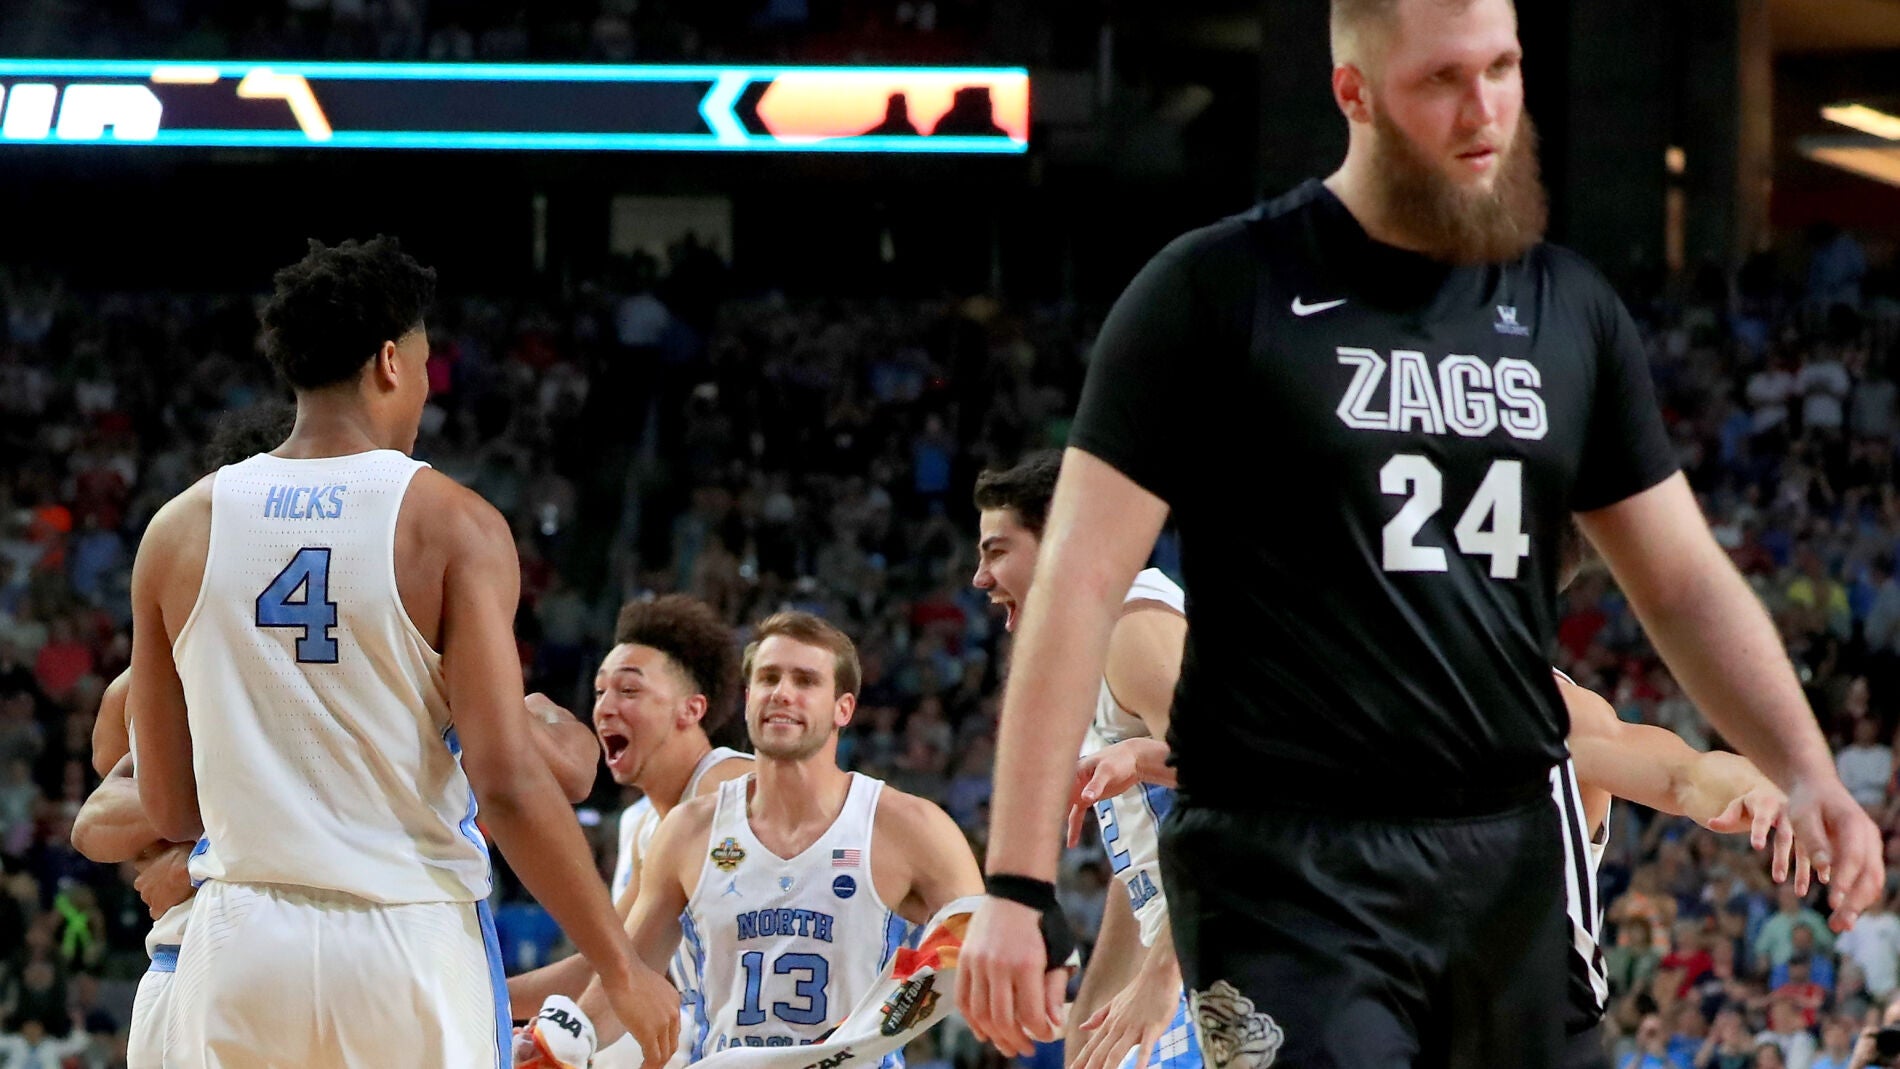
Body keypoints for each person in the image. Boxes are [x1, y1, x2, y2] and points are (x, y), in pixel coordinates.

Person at [954, 2, 1884, 1064]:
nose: (1483, 109)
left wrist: (1804, 768)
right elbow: (1073, 583)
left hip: (1502, 852)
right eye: (1442, 79)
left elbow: (1679, 581)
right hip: (1285, 866)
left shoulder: (1566, 312)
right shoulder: (1214, 290)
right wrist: (1016, 885)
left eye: (1503, 69)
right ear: (1353, 93)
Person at [125, 237, 676, 1068]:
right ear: (389, 361)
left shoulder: (175, 530)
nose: (423, 386)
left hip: (240, 943)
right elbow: (505, 780)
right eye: (423, 364)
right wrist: (618, 964)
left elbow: (169, 806)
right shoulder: (451, 521)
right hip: (405, 937)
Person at [70, 404, 598, 1069]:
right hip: (286, 940)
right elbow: (97, 815)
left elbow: (574, 767)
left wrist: (229, 824)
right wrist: (230, 826)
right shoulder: (182, 667)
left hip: (239, 949)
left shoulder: (402, 654)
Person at [569, 611, 985, 1066]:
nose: (782, 693)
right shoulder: (688, 831)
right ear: (749, 699)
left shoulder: (910, 826)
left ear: (842, 708)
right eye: (769, 678)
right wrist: (560, 1043)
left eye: (805, 680)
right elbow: (625, 983)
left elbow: (982, 951)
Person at [969, 452, 1197, 1069]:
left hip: (1238, 951)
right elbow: (1143, 862)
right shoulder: (1097, 643)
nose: (980, 578)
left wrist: (1162, 976)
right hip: (1189, 946)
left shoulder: (1133, 625)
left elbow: (1243, 790)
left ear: (1061, 541)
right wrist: (1098, 1008)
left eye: (997, 550)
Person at [508, 594, 755, 1065]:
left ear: (690, 709)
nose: (604, 707)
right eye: (600, 692)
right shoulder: (641, 823)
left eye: (628, 690)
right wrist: (489, 996)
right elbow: (610, 964)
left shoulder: (732, 786)